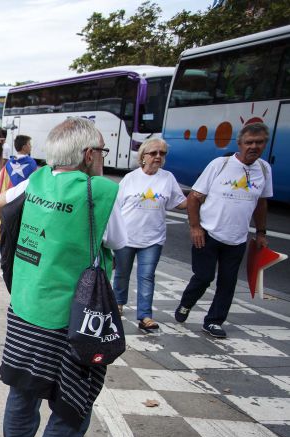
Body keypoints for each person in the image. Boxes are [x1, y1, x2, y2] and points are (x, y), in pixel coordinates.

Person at [0, 117, 124, 437]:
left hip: (26, 306)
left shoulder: (39, 179)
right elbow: (120, 241)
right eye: (101, 151)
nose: (103, 158)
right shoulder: (100, 191)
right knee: (74, 404)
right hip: (70, 320)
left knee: (24, 389)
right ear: (88, 155)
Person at [174, 123, 273, 339]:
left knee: (228, 282)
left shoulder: (264, 169)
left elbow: (261, 203)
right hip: (208, 233)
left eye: (259, 142)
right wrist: (195, 227)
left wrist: (261, 233)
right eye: (249, 142)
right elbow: (194, 198)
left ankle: (214, 321)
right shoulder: (220, 165)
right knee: (204, 276)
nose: (254, 147)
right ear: (240, 144)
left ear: (265, 144)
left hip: (237, 238)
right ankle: (186, 303)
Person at [108, 138, 186, 332]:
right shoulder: (130, 178)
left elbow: (181, 203)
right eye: (154, 153)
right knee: (122, 273)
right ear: (143, 156)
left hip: (153, 238)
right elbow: (115, 207)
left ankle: (145, 316)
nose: (158, 156)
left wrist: (202, 196)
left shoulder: (168, 178)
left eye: (162, 153)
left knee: (147, 276)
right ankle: (118, 302)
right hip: (127, 236)